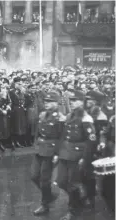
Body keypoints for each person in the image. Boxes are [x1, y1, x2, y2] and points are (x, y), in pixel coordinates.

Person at [56, 90, 97, 220]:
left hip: (78, 154)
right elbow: (63, 135)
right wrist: (57, 153)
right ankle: (79, 198)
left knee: (72, 183)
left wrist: (84, 158)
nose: (72, 103)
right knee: (61, 181)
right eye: (71, 100)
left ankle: (73, 210)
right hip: (65, 152)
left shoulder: (86, 118)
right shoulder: (69, 116)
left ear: (82, 102)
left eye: (75, 100)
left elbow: (91, 140)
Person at [30, 91, 64, 215]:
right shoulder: (42, 115)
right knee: (34, 176)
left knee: (45, 180)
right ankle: (51, 195)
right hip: (40, 149)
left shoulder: (60, 118)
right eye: (46, 102)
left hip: (51, 151)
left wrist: (57, 154)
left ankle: (45, 205)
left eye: (50, 102)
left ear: (57, 103)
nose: (47, 104)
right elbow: (37, 132)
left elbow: (61, 137)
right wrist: (36, 144)